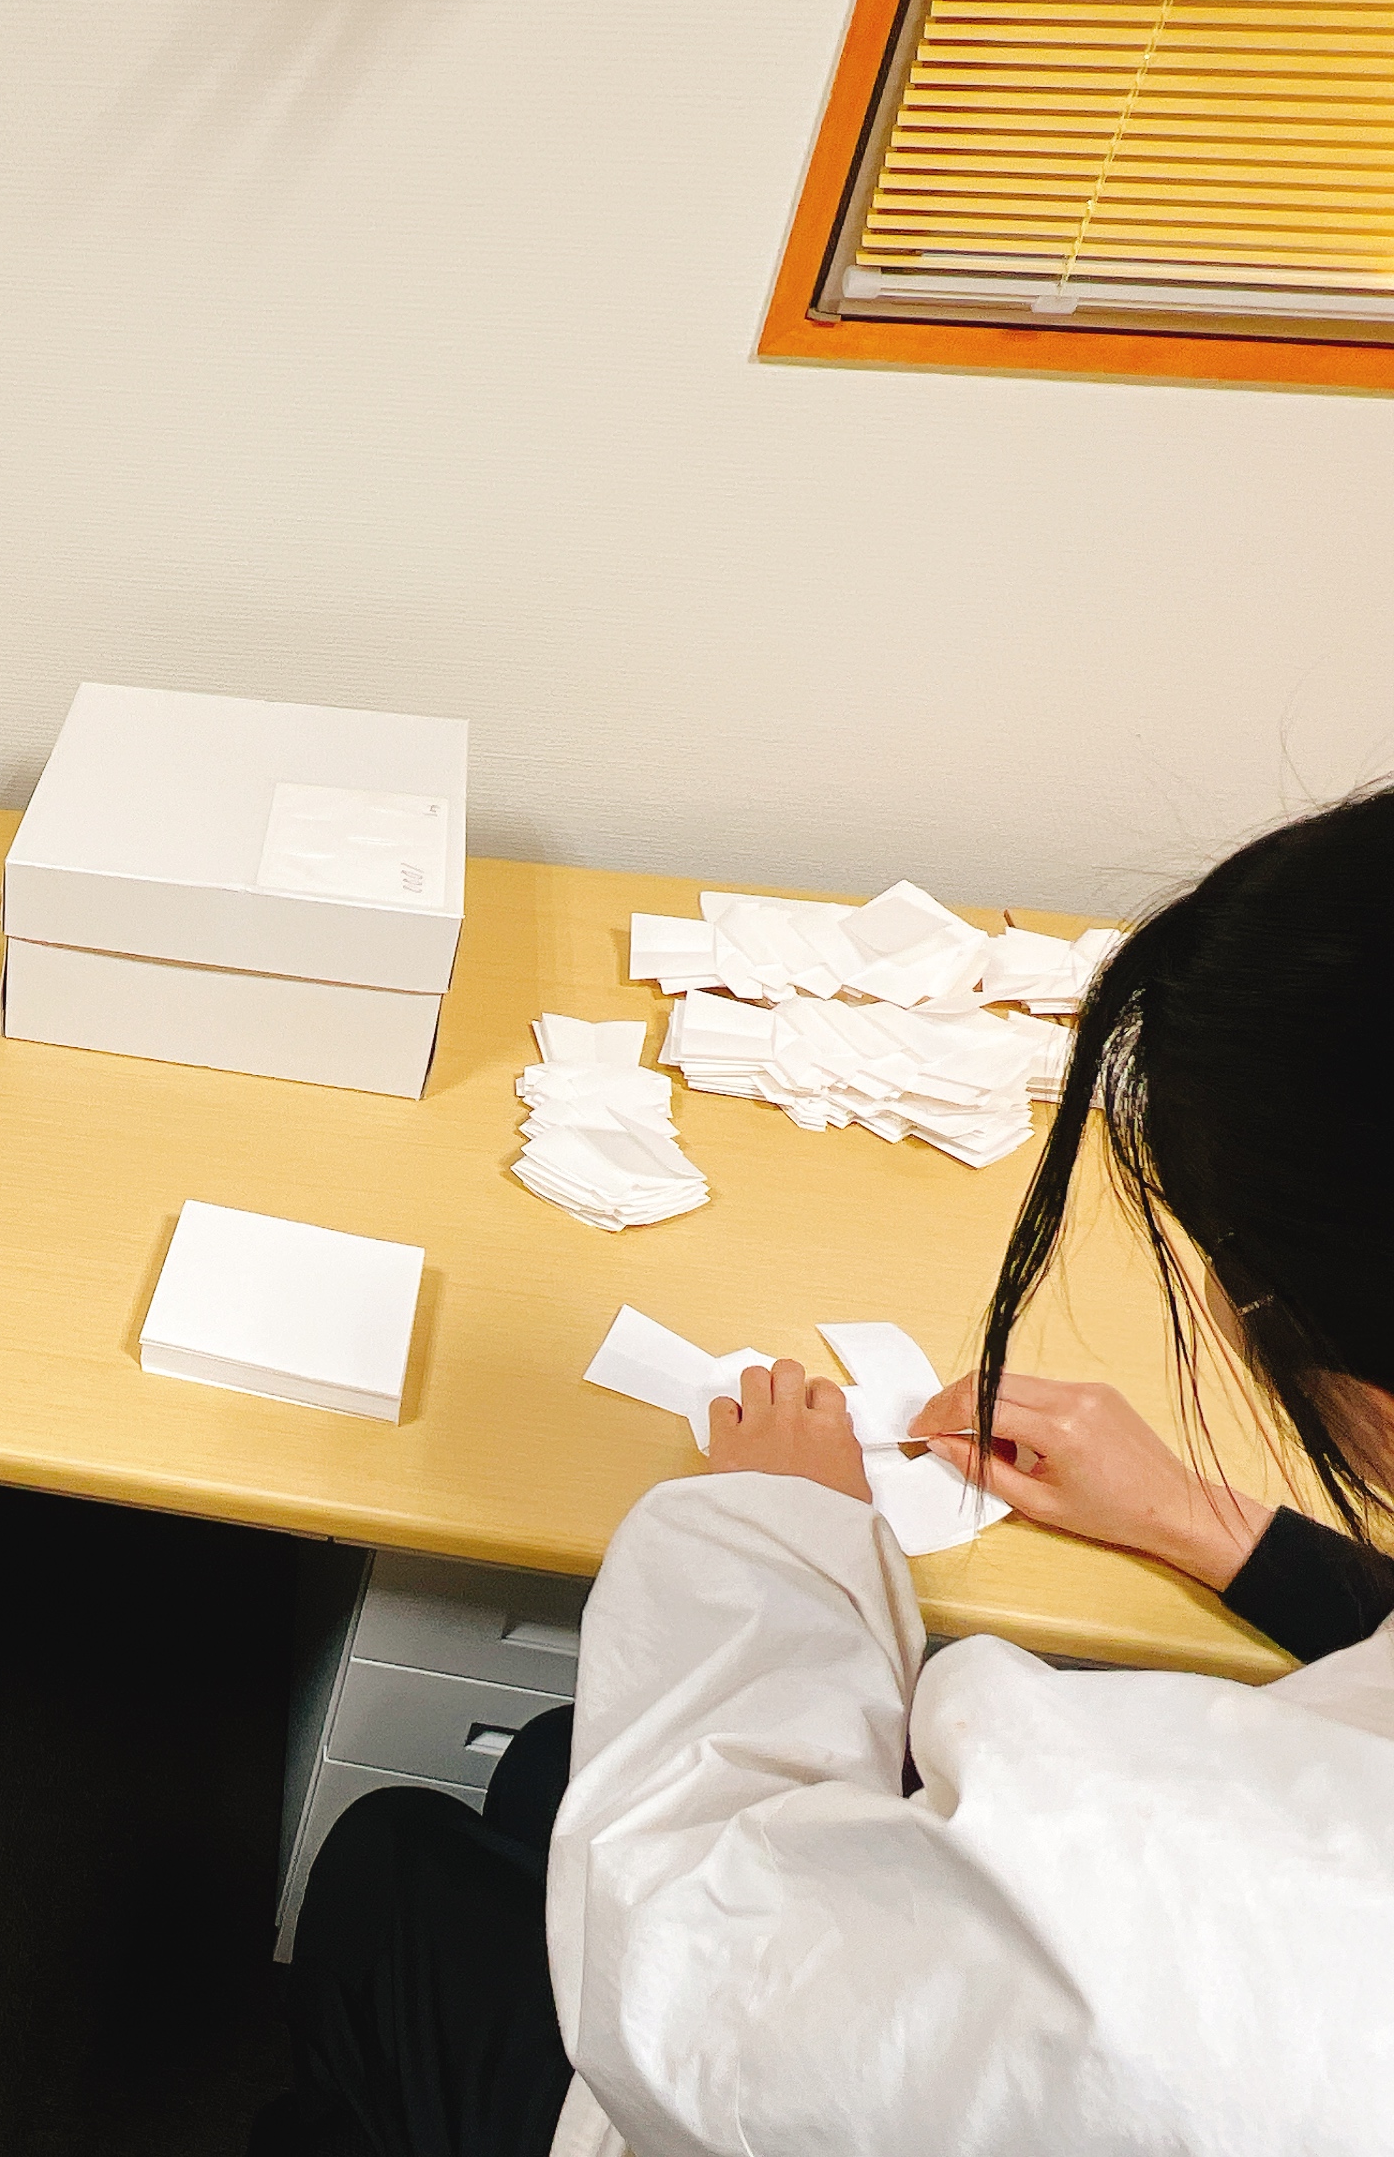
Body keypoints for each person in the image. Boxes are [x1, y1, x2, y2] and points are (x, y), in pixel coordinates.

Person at [262, 790, 1394, 2156]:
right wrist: (1207, 1523)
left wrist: (782, 1536)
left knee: (393, 1866)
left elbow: (699, 1982)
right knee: (558, 1760)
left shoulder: (1243, 1922)